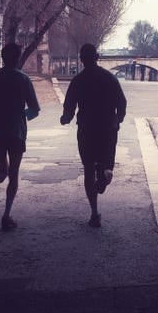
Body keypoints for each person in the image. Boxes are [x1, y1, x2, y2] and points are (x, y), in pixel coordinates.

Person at [59, 43, 127, 228]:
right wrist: (117, 119)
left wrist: (65, 119)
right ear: (97, 57)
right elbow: (122, 103)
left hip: (87, 128)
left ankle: (94, 213)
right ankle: (106, 172)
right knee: (106, 159)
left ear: (81, 59)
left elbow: (69, 108)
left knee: (88, 169)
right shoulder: (110, 78)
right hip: (108, 127)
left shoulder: (78, 81)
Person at [0, 42, 40, 231]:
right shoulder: (23, 79)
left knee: (2, 170)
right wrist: (22, 117)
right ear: (18, 58)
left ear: (2, 58)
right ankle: (6, 216)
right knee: (14, 174)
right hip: (16, 131)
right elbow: (35, 109)